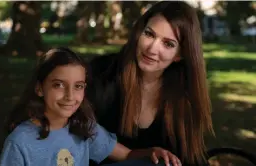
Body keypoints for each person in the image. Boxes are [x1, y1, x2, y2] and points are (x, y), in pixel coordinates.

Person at [0, 48, 181, 166]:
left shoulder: (83, 126)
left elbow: (126, 155)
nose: (70, 96)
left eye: (78, 86)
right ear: (40, 88)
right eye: (59, 85)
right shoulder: (20, 142)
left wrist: (152, 151)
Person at [87, 1, 214, 165]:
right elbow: (75, 132)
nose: (152, 49)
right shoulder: (102, 72)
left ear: (180, 55)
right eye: (149, 34)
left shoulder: (184, 96)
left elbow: (189, 158)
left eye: (168, 44)